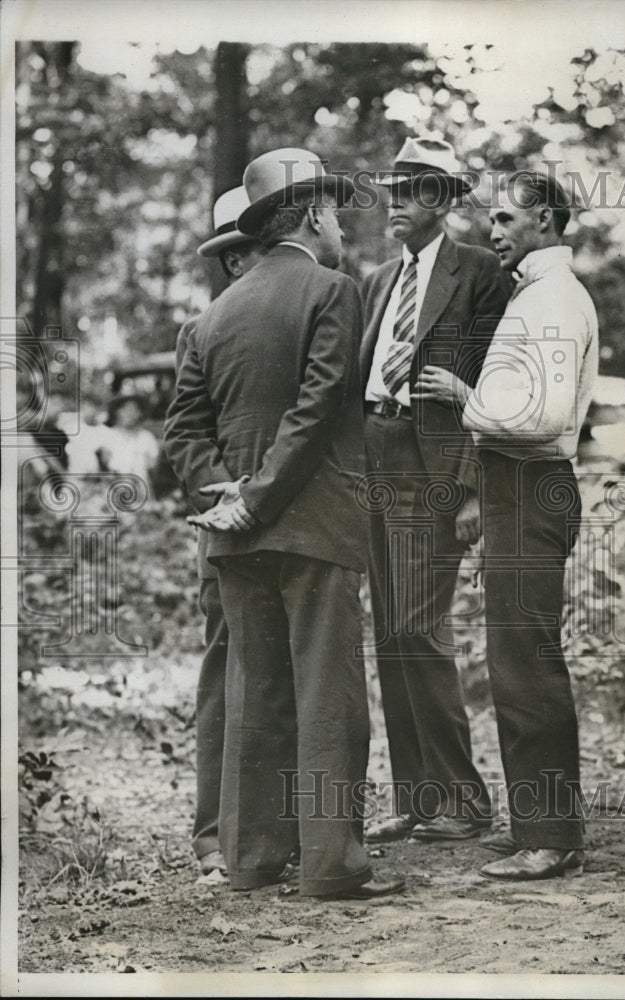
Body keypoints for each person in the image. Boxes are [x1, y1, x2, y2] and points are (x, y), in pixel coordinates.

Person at [164, 147, 403, 901]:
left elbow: (181, 433)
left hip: (232, 535)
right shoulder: (335, 291)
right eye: (332, 210)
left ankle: (253, 860)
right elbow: (321, 404)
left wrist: (227, 492)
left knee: (254, 690)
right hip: (313, 524)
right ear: (309, 217)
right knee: (328, 693)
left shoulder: (209, 317)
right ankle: (332, 865)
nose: (339, 225)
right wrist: (261, 494)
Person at [415, 170, 599, 880]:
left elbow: (544, 418)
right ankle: (539, 825)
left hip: (533, 486)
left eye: (505, 220)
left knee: (527, 665)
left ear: (546, 223)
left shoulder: (554, 299)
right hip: (516, 490)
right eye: (491, 220)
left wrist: (466, 398)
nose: (493, 231)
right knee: (513, 660)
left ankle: (550, 837)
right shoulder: (538, 291)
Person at [360, 138, 511, 842]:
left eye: (413, 188)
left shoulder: (479, 272)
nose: (396, 199)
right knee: (392, 637)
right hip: (375, 468)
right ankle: (420, 796)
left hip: (435, 477)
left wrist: (475, 489)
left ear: (445, 200)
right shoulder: (376, 283)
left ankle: (467, 800)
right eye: (393, 186)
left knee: (421, 631)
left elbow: (500, 381)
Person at [167, 185, 262, 877]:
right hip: (226, 533)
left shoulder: (313, 312)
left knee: (289, 678)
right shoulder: (202, 330)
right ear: (234, 263)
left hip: (296, 526)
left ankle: (273, 830)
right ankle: (215, 834)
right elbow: (185, 432)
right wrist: (225, 493)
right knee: (227, 672)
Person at [100, 394, 159, 483]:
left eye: (134, 410)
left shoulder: (146, 437)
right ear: (117, 412)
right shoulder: (107, 436)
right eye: (124, 409)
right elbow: (103, 467)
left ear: (140, 414)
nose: (129, 413)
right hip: (114, 487)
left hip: (140, 487)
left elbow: (153, 468)